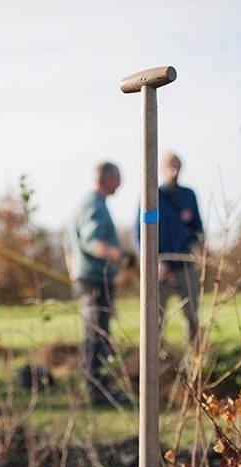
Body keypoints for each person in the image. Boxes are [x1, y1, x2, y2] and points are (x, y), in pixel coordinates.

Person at [67, 161, 132, 407]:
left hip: (89, 279)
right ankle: (97, 392)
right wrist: (120, 256)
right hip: (95, 281)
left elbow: (68, 245)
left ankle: (99, 387)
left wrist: (73, 271)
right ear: (107, 178)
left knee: (98, 335)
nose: (121, 185)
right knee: (97, 335)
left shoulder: (89, 204)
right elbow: (92, 242)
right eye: (118, 178)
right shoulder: (93, 206)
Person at [134, 151, 204, 348]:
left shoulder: (189, 195)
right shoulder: (151, 196)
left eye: (177, 166)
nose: (174, 170)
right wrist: (154, 262)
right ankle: (154, 361)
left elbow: (197, 229)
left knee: (192, 316)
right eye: (169, 166)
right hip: (160, 269)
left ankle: (194, 360)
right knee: (154, 319)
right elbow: (140, 234)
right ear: (161, 169)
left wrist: (199, 249)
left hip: (186, 266)